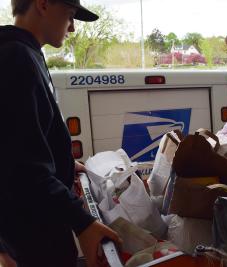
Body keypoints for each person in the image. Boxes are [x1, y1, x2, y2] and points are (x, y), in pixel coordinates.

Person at [0, 0, 121, 266]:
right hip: (32, 234)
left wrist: (65, 164)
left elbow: (24, 140)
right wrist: (83, 222)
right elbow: (20, 167)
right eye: (70, 14)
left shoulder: (25, 52)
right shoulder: (15, 58)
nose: (73, 27)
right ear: (43, 4)